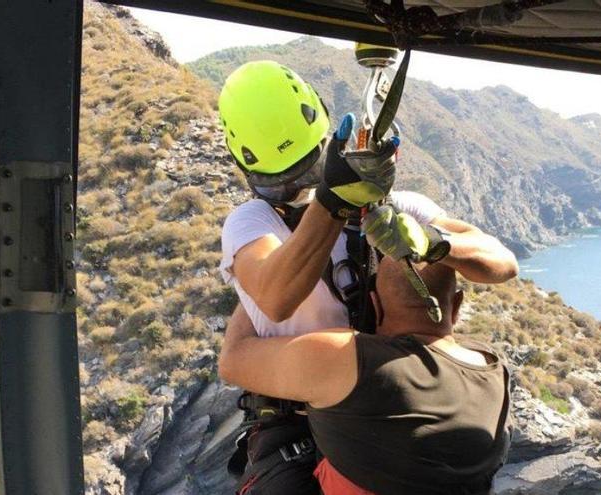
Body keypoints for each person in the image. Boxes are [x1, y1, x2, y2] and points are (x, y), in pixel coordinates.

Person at [217, 60, 518, 493]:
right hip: (328, 407)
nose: (294, 188)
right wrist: (333, 201)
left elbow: (502, 262)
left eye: (304, 174)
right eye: (282, 182)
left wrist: (435, 241)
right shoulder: (255, 221)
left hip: (367, 403)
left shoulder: (395, 207)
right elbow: (274, 295)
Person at [219, 258, 512, 495]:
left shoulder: (348, 358)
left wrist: (255, 283)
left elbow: (234, 359)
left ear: (375, 303)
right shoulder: (494, 371)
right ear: (457, 305)